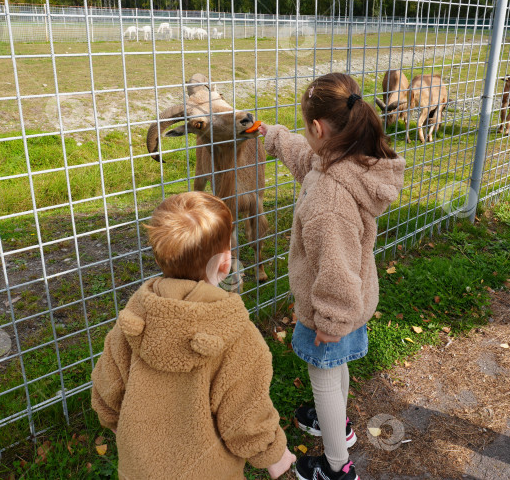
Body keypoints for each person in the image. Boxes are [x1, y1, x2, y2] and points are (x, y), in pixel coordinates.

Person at [258, 73, 406, 480]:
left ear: (319, 129)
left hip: (332, 306)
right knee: (336, 364)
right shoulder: (347, 162)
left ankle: (337, 467)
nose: (305, 139)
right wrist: (272, 136)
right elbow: (304, 158)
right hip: (354, 299)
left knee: (323, 374)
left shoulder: (329, 198)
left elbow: (336, 267)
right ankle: (336, 424)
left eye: (306, 130)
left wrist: (331, 322)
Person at [90, 191, 296, 479]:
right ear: (226, 263)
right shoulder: (236, 334)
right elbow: (244, 415)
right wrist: (274, 453)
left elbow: (106, 387)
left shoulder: (134, 319)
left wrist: (117, 425)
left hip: (139, 470)